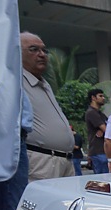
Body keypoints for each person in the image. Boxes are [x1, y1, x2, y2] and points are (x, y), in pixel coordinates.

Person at [20, 31, 74, 180]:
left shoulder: (45, 83)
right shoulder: (16, 81)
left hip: (64, 161)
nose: (42, 54)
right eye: (34, 49)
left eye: (44, 50)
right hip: (41, 162)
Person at [84, 87, 108, 174]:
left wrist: (104, 129)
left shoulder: (101, 114)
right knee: (103, 180)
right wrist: (104, 129)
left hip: (104, 151)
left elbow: (109, 128)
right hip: (98, 151)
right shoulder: (91, 112)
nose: (103, 98)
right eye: (100, 96)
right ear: (93, 98)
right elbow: (107, 130)